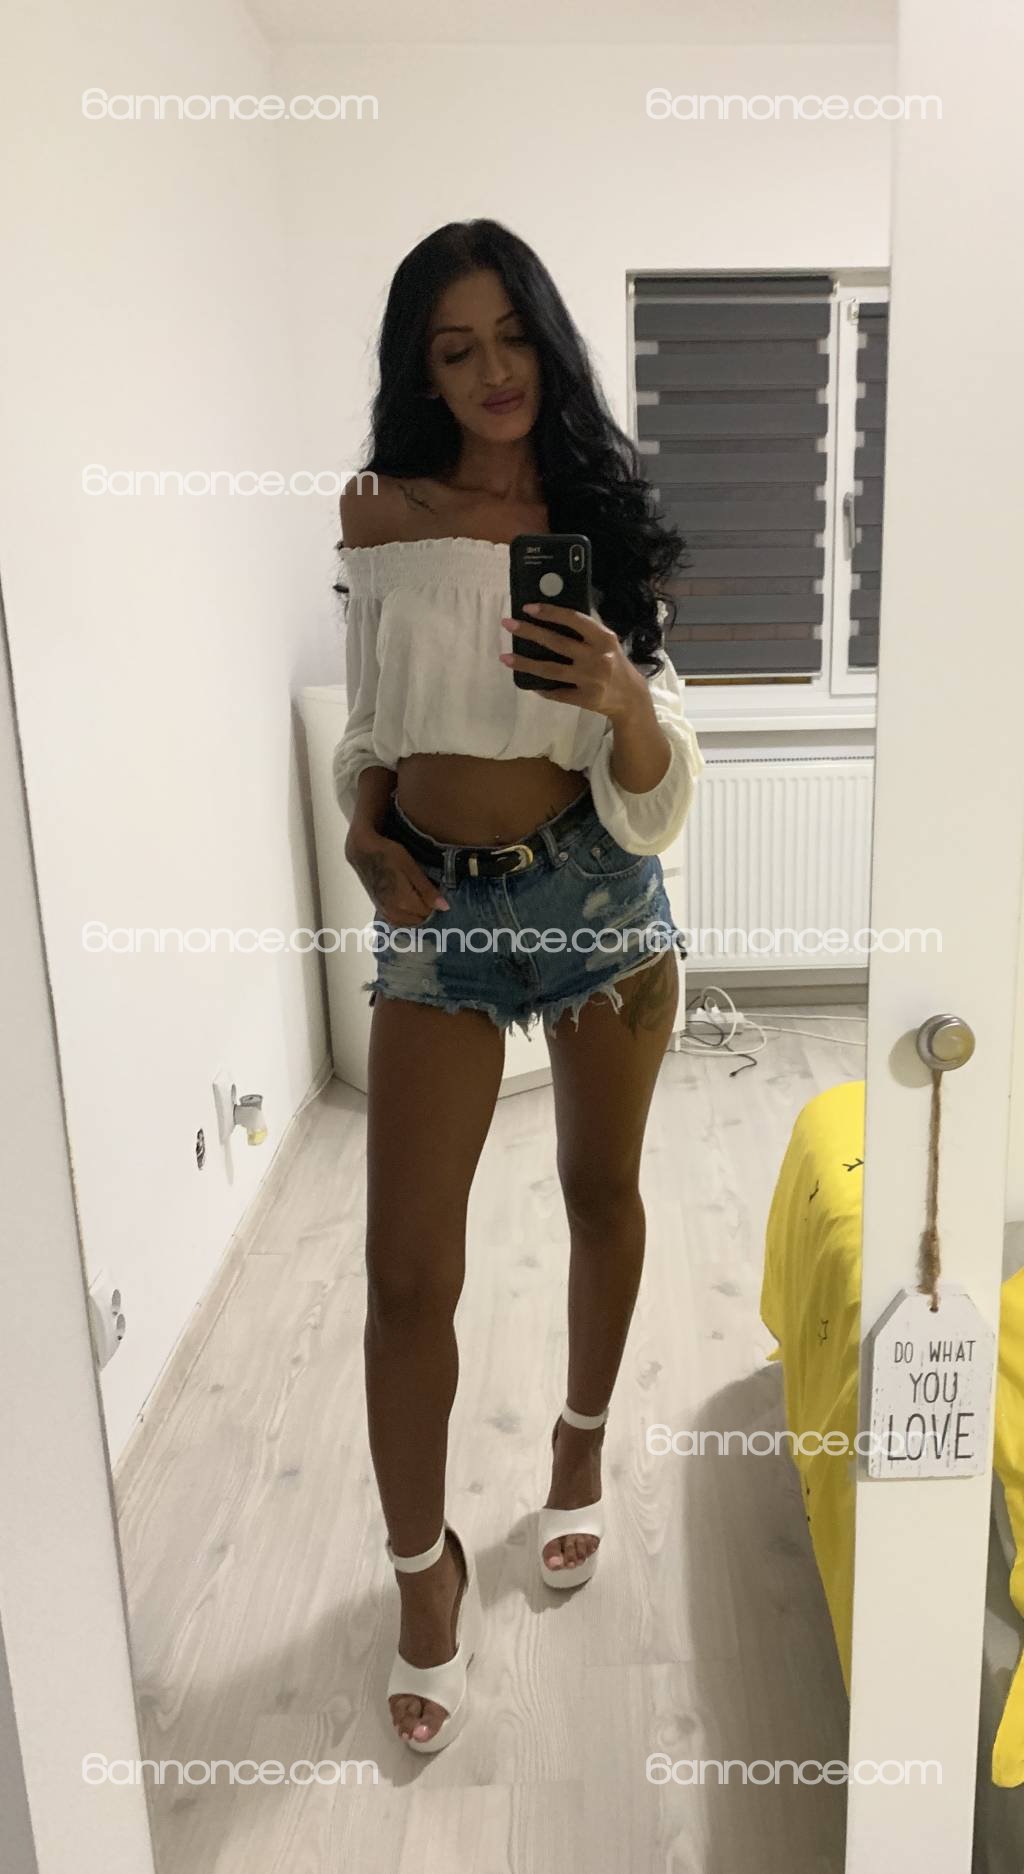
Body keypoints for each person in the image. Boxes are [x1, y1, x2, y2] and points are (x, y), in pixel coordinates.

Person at [332, 218, 705, 1753]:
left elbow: (655, 797)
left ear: (547, 339)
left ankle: (578, 1442)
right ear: (420, 369)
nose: (491, 370)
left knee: (599, 1191)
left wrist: (621, 694)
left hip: (596, 892)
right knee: (404, 1275)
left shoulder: (599, 513)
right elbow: (374, 719)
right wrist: (363, 828)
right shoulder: (379, 510)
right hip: (438, 907)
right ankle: (422, 1570)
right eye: (454, 347)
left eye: (510, 336)